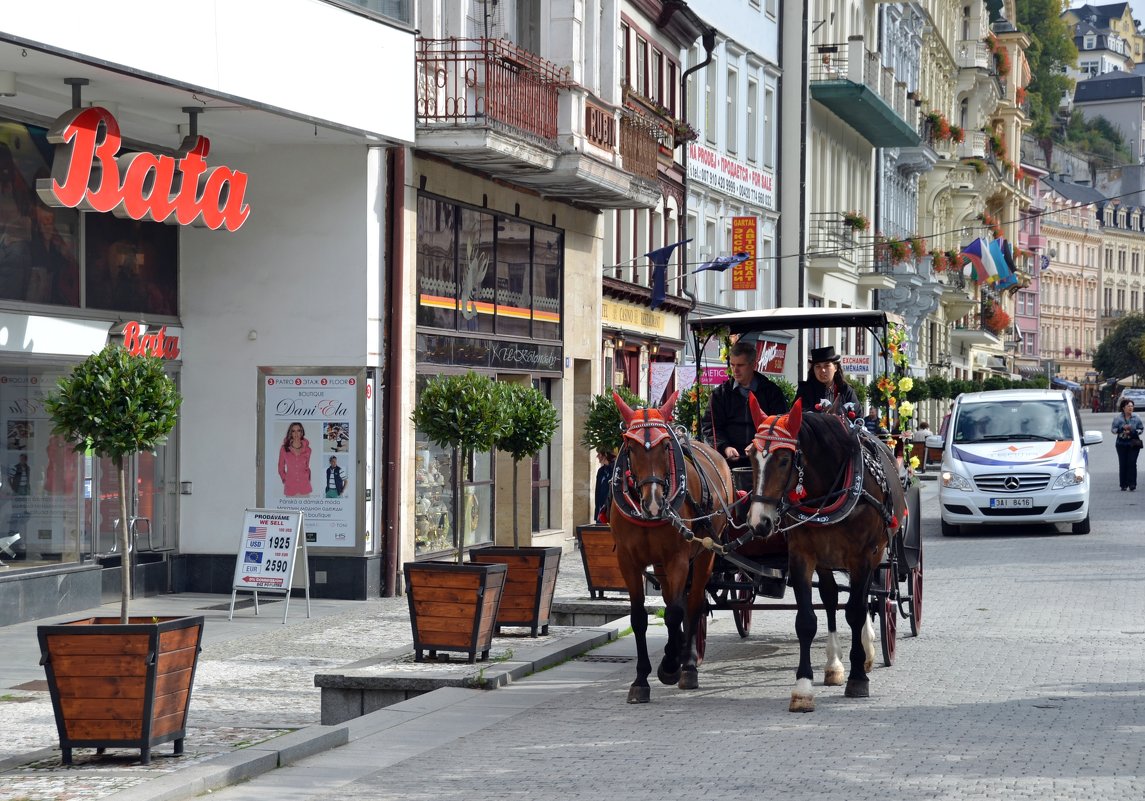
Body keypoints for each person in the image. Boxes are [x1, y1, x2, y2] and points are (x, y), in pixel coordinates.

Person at [701, 340, 789, 466]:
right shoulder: (719, 394)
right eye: (732, 365)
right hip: (729, 462)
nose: (735, 370)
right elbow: (711, 426)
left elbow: (780, 424)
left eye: (740, 365)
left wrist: (759, 443)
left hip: (764, 460)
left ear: (753, 364)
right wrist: (725, 447)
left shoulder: (772, 392)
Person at [795, 345, 859, 413]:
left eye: (827, 365)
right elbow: (797, 415)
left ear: (835, 368)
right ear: (813, 370)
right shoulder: (805, 391)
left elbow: (858, 417)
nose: (822, 370)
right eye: (818, 366)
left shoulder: (846, 390)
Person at [1111, 398, 1144, 491]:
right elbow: (1113, 429)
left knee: (1132, 463)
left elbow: (1141, 428)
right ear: (1123, 408)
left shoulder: (1136, 417)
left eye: (1132, 406)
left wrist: (1133, 431)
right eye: (1128, 406)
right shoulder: (1118, 418)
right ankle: (1123, 484)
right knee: (1123, 463)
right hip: (1121, 444)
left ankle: (1132, 484)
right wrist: (1121, 429)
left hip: (1133, 444)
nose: (1130, 408)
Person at [278, 421, 313, 496]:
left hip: (305, 488)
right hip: (290, 488)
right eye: (293, 431)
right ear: (290, 433)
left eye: (298, 431)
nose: (296, 433)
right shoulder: (284, 448)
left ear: (302, 432)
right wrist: (285, 479)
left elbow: (307, 466)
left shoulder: (308, 450)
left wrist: (307, 477)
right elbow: (281, 467)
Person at [593, 449, 616, 523]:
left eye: (599, 454)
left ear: (605, 455)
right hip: (601, 511)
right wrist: (597, 513)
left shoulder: (617, 469)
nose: (597, 456)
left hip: (613, 511)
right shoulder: (601, 471)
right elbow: (597, 493)